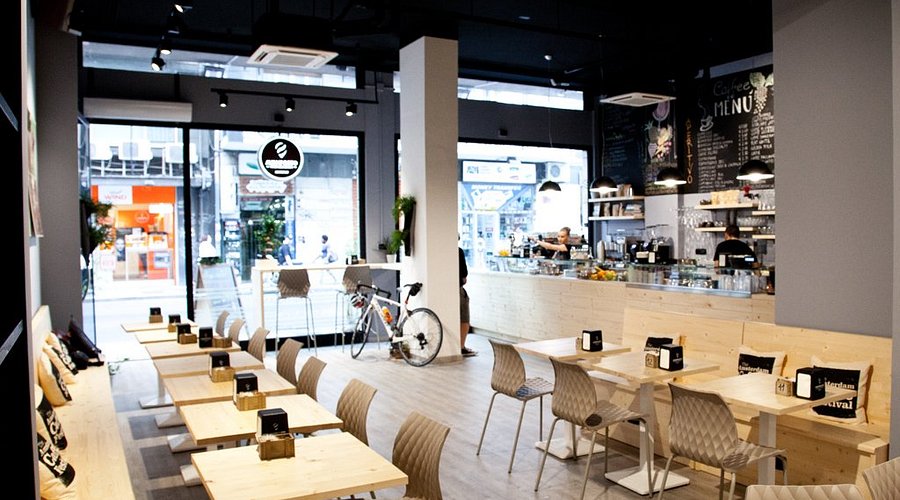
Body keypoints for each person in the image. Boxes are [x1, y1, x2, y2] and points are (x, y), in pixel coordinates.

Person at [460, 241, 476, 357]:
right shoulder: (458, 251)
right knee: (464, 318)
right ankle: (461, 347)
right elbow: (464, 276)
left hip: (444, 289)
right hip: (457, 288)